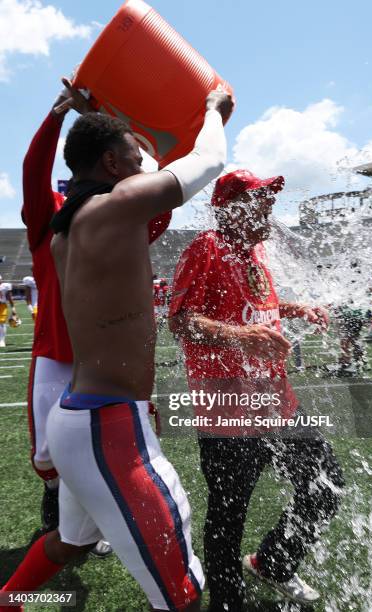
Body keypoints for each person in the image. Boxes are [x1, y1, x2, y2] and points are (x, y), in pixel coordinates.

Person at [0, 88, 233, 612]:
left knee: (69, 544)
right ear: (111, 162)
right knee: (183, 597)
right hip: (109, 428)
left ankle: (8, 602)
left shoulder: (67, 231)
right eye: (134, 152)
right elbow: (211, 159)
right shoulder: (120, 207)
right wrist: (214, 109)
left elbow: (149, 176)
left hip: (81, 418)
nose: (142, 161)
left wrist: (106, 123)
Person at [168, 170, 344, 612]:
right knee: (228, 516)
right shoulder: (205, 247)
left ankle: (273, 562)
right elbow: (182, 320)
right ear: (229, 209)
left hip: (276, 401)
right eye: (258, 198)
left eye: (269, 197)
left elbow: (258, 304)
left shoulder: (256, 249)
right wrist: (241, 336)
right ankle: (227, 602)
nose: (268, 205)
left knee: (327, 486)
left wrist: (294, 307)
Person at [20, 79, 111, 558]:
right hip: (56, 354)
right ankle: (56, 510)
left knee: (98, 443)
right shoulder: (47, 217)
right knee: (46, 455)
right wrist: (59, 114)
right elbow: (34, 171)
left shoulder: (114, 214)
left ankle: (82, 524)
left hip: (98, 357)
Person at [0, 275, 17, 347]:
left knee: (1, 323)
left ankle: (2, 340)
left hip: (2, 306)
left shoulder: (5, 286)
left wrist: (13, 308)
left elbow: (9, 297)